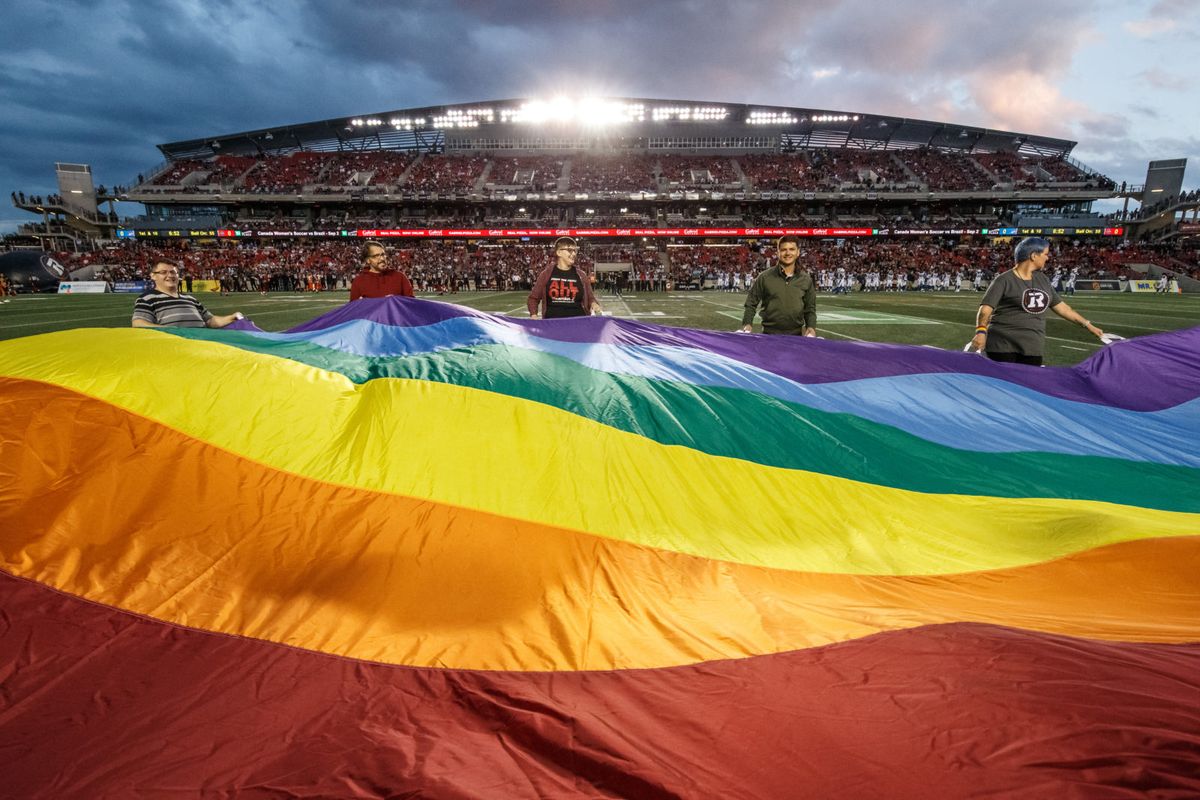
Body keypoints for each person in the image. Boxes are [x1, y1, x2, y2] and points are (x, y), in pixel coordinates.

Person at [970, 237, 1104, 366]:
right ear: (1034, 256)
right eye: (1045, 254)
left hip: (1032, 347)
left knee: (1028, 381)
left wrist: (1088, 325)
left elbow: (1063, 309)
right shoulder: (1003, 280)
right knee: (1004, 381)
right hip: (1002, 345)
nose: (1047, 258)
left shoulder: (1043, 279)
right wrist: (981, 332)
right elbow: (985, 310)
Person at [739, 235, 816, 335]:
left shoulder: (806, 279)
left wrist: (811, 326)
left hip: (796, 336)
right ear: (778, 253)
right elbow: (751, 303)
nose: (788, 253)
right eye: (783, 250)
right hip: (769, 335)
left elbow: (810, 308)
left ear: (798, 252)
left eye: (792, 249)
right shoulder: (764, 277)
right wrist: (747, 324)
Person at [132, 260, 242, 329]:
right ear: (153, 276)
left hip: (201, 345)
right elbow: (138, 323)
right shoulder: (147, 299)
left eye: (173, 272)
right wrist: (167, 330)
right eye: (163, 272)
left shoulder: (190, 299)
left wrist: (232, 317)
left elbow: (210, 320)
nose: (170, 275)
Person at [526, 237, 602, 319]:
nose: (574, 254)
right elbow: (533, 298)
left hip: (578, 323)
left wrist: (594, 304)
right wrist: (533, 314)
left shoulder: (582, 275)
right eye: (570, 250)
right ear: (559, 252)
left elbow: (591, 298)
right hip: (552, 324)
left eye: (575, 251)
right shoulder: (546, 274)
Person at [349, 240, 414, 301]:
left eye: (383, 254)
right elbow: (354, 307)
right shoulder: (359, 282)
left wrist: (395, 300)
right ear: (368, 260)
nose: (382, 258)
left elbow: (411, 304)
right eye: (376, 256)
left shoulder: (400, 277)